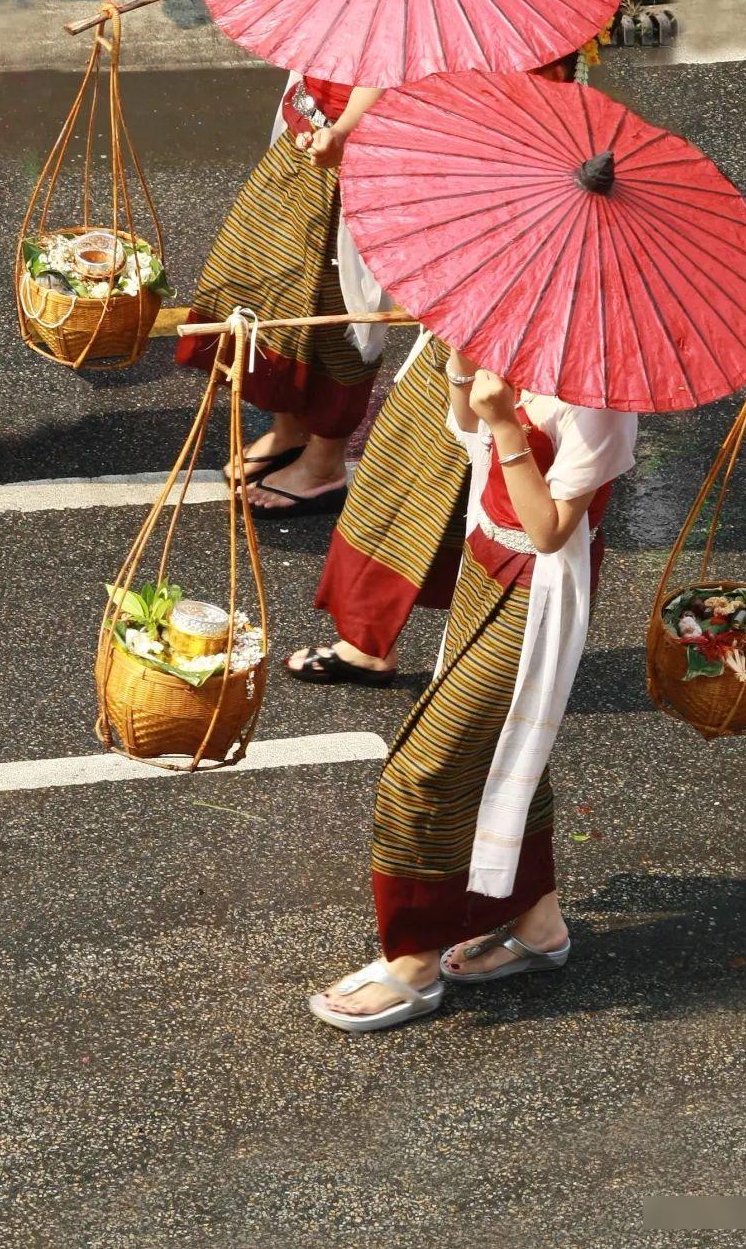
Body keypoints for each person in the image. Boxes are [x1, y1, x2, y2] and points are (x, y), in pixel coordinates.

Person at [308, 347, 637, 1031]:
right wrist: (464, 366)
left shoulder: (602, 390)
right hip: (485, 561)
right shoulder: (516, 338)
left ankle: (414, 965)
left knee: (421, 773)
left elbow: (549, 531)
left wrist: (509, 425)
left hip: (539, 593)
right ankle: (538, 922)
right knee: (498, 748)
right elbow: (465, 430)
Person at [284, 48, 596, 684]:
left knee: (416, 488)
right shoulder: (565, 111)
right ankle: (444, 648)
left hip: (505, 342)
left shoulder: (505, 107)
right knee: (430, 489)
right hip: (508, 344)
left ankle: (427, 650)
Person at [174, 0, 443, 521]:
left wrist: (345, 132)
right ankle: (289, 429)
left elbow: (387, 61)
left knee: (343, 320)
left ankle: (324, 462)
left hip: (364, 165)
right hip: (302, 145)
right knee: (268, 295)